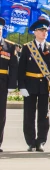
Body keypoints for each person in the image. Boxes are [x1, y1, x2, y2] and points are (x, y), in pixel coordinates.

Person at [18, 19, 50, 152]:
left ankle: (41, 141)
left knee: (44, 115)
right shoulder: (27, 48)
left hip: (44, 87)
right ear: (35, 32)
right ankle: (30, 142)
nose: (44, 33)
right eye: (41, 31)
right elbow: (21, 69)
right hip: (30, 85)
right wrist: (22, 86)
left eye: (46, 31)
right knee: (29, 115)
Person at [0, 18, 17, 152]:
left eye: (0, 29)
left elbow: (14, 67)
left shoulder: (9, 47)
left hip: (2, 83)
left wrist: (12, 84)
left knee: (1, 114)